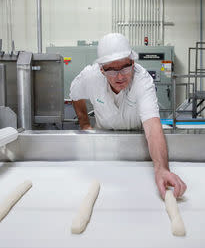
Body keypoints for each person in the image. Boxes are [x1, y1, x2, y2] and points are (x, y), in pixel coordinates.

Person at [69, 33, 186, 199]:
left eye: (125, 67)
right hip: (104, 146)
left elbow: (152, 127)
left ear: (133, 62)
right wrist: (85, 124)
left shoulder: (142, 80)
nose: (120, 76)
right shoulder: (90, 77)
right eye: (111, 70)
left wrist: (162, 169)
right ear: (101, 69)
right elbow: (75, 94)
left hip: (138, 143)